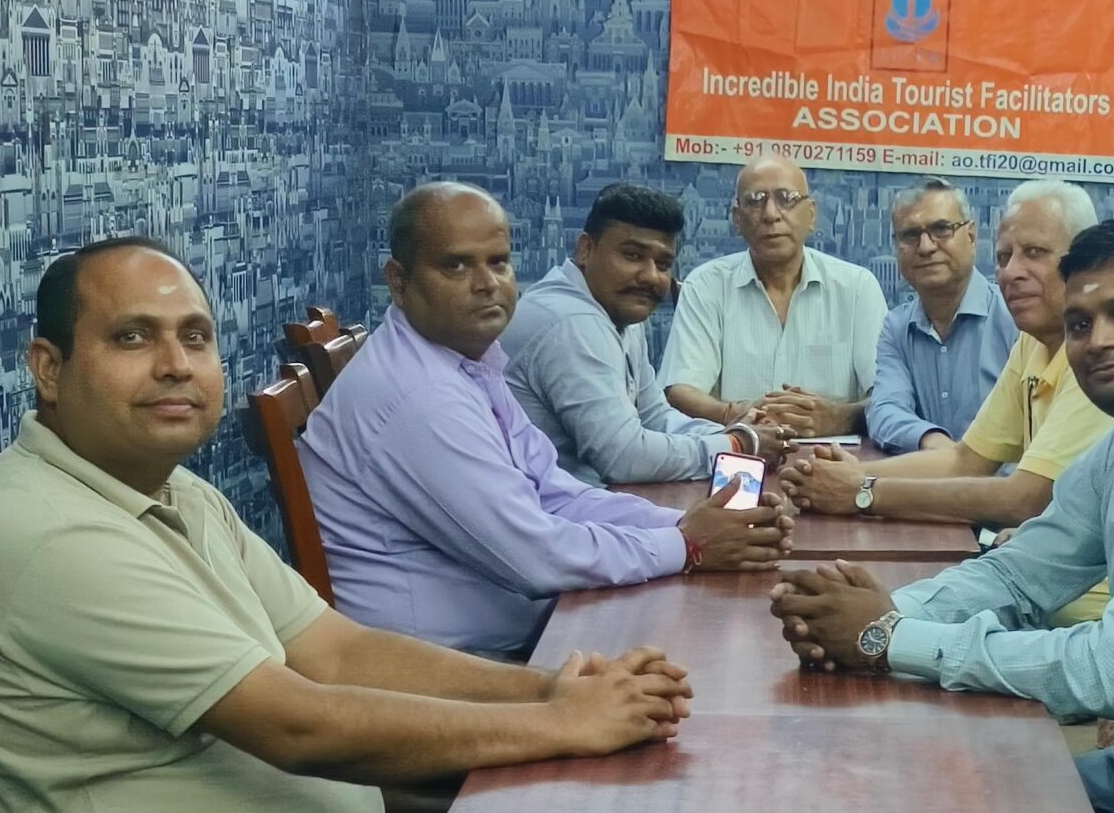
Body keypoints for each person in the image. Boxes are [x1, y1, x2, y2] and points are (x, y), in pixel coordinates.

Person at [0, 237, 695, 813]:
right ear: (49, 369)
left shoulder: (172, 488)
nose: (174, 366)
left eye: (195, 337)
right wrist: (560, 720)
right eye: (132, 337)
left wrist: (552, 688)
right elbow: (295, 723)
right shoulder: (58, 538)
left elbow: (335, 649)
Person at [767, 218, 1114, 813]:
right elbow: (1018, 575)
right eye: (1080, 324)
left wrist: (890, 637)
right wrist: (867, 614)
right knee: (898, 795)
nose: (1098, 341)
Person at [299, 184, 791, 659]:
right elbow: (534, 557)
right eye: (456, 266)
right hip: (439, 668)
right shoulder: (421, 398)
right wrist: (686, 544)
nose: (487, 284)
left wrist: (690, 524)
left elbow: (554, 492)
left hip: (512, 631)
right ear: (398, 280)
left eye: (498, 262)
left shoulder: (466, 363)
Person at [775, 180, 1114, 530]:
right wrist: (850, 473)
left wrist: (865, 491)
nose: (1012, 272)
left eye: (1035, 252)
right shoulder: (1033, 342)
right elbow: (965, 461)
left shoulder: (1099, 355)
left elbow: (1025, 499)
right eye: (1003, 257)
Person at [504, 183, 791, 484]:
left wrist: (737, 433)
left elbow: (655, 417)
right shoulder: (572, 322)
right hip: (541, 507)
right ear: (586, 249)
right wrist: (738, 444)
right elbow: (624, 458)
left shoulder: (620, 311)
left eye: (663, 264)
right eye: (632, 255)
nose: (650, 276)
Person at [659, 154, 888, 438]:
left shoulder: (857, 288)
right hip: (738, 452)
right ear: (737, 219)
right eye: (755, 200)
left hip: (834, 456)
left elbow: (889, 395)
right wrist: (736, 414)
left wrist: (838, 418)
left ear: (811, 215)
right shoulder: (706, 285)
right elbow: (680, 390)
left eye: (786, 198)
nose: (771, 214)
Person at [866, 177, 1018, 454]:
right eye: (910, 235)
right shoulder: (897, 328)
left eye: (941, 229)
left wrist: (960, 465)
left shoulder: (1014, 316)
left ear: (971, 236)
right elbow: (885, 410)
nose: (925, 247)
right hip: (928, 477)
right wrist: (935, 443)